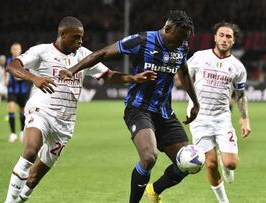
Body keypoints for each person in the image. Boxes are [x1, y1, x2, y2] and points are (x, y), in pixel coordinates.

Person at [4, 16, 156, 203]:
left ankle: (19, 199)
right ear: (62, 34)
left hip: (65, 124)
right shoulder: (42, 51)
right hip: (41, 111)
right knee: (30, 151)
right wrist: (34, 78)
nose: (80, 41)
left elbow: (107, 75)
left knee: (34, 178)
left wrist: (134, 78)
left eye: (81, 37)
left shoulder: (84, 55)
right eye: (75, 37)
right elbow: (12, 66)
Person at [59, 10, 200, 203]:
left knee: (190, 163)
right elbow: (102, 53)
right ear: (167, 28)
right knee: (149, 157)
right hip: (138, 108)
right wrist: (72, 69)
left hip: (165, 113)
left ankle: (154, 190)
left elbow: (183, 72)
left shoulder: (181, 45)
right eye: (175, 40)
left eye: (181, 42)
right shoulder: (142, 41)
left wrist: (195, 102)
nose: (177, 45)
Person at [187, 21, 251, 203]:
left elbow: (240, 95)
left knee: (231, 163)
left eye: (228, 36)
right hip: (199, 119)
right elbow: (183, 76)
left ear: (233, 41)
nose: (224, 39)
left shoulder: (238, 67)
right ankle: (224, 201)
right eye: (221, 35)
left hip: (222, 118)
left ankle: (228, 167)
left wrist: (245, 119)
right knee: (211, 162)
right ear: (214, 37)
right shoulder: (199, 57)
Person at [6, 42, 31, 143]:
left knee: (21, 111)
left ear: (20, 50)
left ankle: (21, 131)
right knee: (11, 108)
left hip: (23, 90)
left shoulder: (25, 61)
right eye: (14, 49)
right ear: (11, 50)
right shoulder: (8, 61)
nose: (16, 51)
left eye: (18, 49)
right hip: (11, 89)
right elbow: (5, 72)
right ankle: (12, 133)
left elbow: (29, 73)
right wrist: (6, 79)